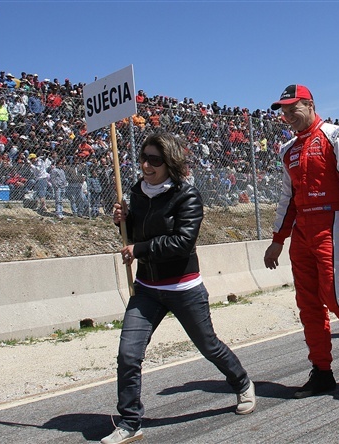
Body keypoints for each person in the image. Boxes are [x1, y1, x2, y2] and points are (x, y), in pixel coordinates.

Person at [102, 130, 256, 444]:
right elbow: (135, 233)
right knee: (128, 355)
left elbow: (183, 242)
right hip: (146, 287)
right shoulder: (137, 191)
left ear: (169, 162)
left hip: (184, 288)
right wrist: (123, 222)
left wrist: (140, 250)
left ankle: (242, 383)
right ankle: (130, 422)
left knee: (208, 346)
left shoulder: (187, 195)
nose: (146, 165)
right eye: (143, 158)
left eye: (154, 160)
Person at [263, 84, 339, 399]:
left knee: (334, 295)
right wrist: (278, 239)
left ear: (310, 104)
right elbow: (287, 197)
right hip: (302, 228)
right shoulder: (287, 148)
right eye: (284, 111)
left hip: (333, 221)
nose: (288, 116)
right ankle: (322, 371)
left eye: (293, 109)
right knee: (307, 304)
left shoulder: (337, 134)